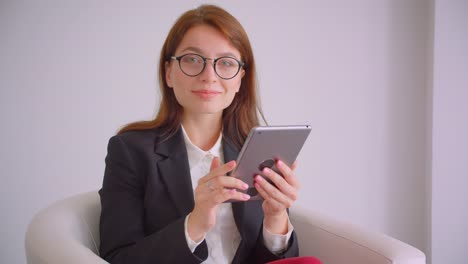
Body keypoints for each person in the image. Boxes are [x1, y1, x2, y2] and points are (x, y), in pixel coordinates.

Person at [99, 4, 301, 264]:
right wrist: (194, 224)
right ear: (168, 72)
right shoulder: (129, 151)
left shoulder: (255, 151)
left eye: (226, 63)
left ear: (240, 78)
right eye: (193, 59)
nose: (209, 76)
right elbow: (117, 258)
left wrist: (276, 218)